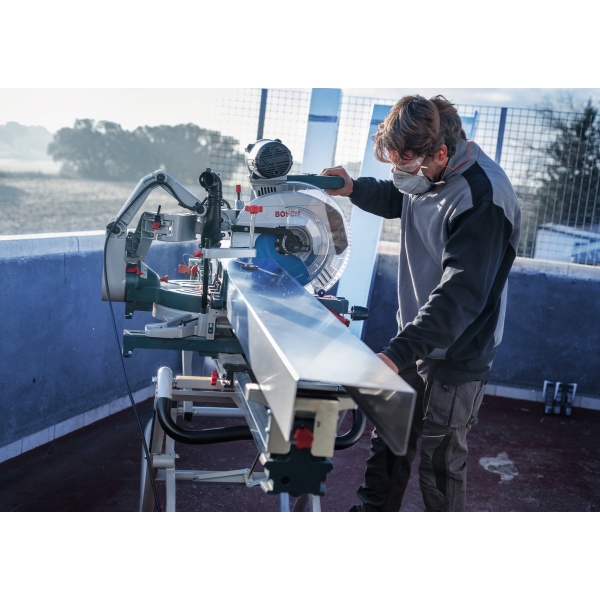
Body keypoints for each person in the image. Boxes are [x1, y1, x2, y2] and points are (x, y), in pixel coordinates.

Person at [321, 95, 521, 512]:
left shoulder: (483, 199)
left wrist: (395, 355)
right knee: (388, 439)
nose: (400, 175)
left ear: (441, 153)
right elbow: (404, 198)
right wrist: (354, 188)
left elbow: (460, 295)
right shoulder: (429, 170)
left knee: (440, 460)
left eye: (406, 167)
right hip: (416, 337)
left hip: (458, 350)